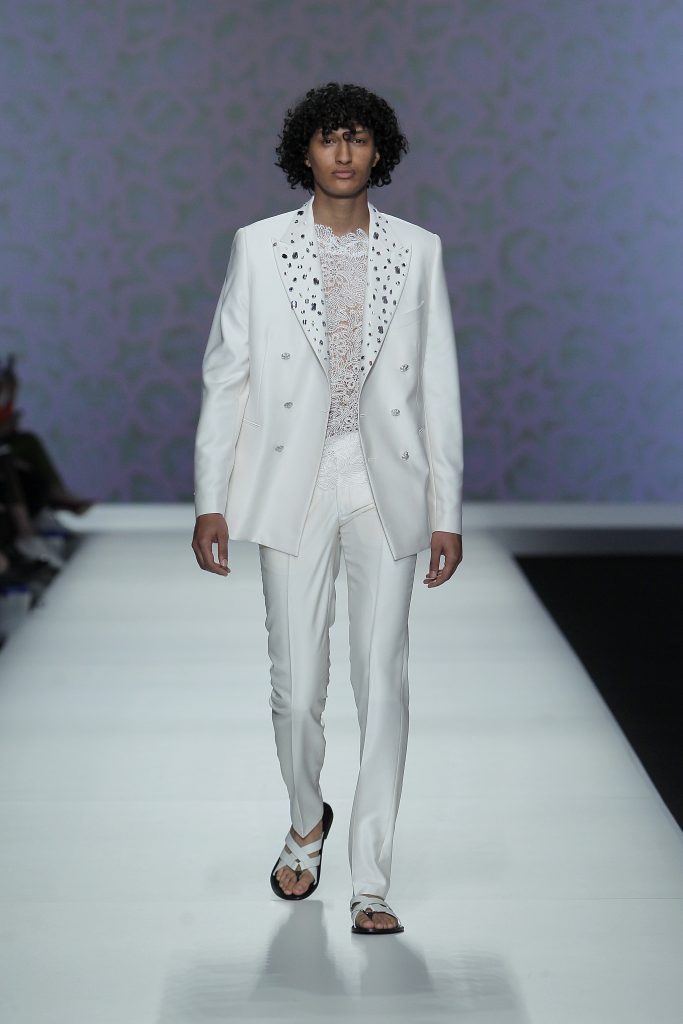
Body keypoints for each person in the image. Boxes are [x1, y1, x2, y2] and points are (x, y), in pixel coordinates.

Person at [191, 82, 463, 936]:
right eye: (326, 138)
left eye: (357, 138)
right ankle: (306, 821)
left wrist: (446, 509)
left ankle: (370, 881)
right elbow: (227, 375)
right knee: (297, 684)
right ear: (302, 152)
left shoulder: (418, 250)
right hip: (291, 479)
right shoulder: (258, 246)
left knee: (383, 683)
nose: (342, 153)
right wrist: (210, 500)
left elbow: (439, 386)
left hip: (385, 481)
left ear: (379, 150)